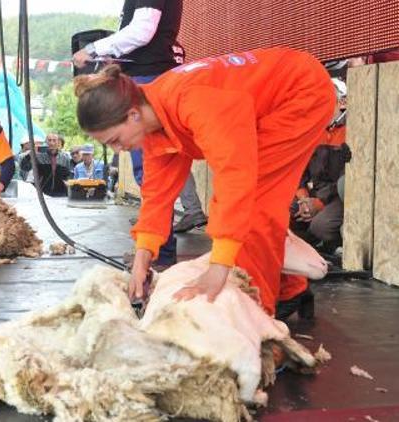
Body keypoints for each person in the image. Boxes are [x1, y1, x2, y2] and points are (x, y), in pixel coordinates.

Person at [74, 48, 336, 319]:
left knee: (256, 206)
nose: (118, 150)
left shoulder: (192, 101)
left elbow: (234, 176)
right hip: (269, 98)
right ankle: (291, 289)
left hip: (300, 93)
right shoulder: (153, 117)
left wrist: (219, 266)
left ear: (132, 115)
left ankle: (257, 318)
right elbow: (156, 196)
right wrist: (142, 258)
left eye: (115, 140)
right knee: (254, 208)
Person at [73, 0, 184, 267]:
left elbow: (143, 30)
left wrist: (94, 49)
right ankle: (156, 250)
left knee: (150, 172)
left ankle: (160, 254)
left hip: (150, 76)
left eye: (114, 140)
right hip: (147, 75)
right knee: (152, 173)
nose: (116, 149)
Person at [290, 78, 350, 255]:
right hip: (314, 195)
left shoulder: (353, 129)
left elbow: (346, 178)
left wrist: (319, 203)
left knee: (321, 227)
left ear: (343, 102)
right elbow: (297, 169)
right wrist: (303, 199)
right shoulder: (311, 130)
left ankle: (326, 242)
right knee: (281, 213)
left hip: (336, 196)